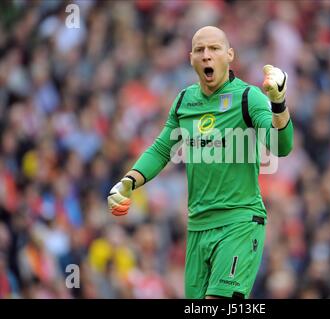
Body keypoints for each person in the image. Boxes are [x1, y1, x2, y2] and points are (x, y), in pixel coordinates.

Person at [107, 26, 294, 299]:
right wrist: (127, 182)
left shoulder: (248, 97)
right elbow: (162, 149)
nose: (207, 55)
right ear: (191, 58)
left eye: (215, 48)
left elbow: (282, 145)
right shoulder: (184, 101)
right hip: (197, 228)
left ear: (229, 55)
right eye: (200, 50)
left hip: (239, 222)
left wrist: (278, 102)